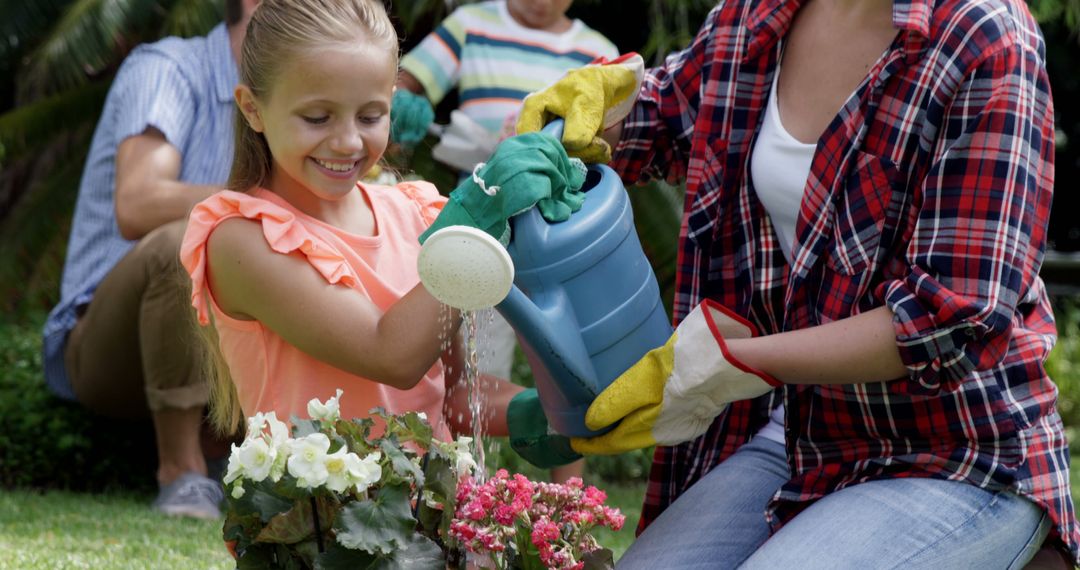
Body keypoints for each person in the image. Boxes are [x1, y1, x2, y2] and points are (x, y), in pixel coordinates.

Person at [517, 0, 1079, 567]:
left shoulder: (984, 36)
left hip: (957, 451)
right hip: (801, 435)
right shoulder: (759, 15)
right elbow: (665, 116)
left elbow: (948, 320)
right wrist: (581, 115)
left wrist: (726, 363)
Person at [179, 0, 580, 452]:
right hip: (319, 520)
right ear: (252, 109)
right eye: (317, 117)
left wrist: (551, 413)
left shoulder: (415, 214)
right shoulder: (241, 238)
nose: (348, 140)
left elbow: (449, 394)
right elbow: (391, 356)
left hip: (430, 515)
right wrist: (478, 220)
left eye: (370, 116)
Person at [41, 0, 260, 519]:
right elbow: (138, 201)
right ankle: (181, 474)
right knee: (183, 238)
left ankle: (246, 456)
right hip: (108, 347)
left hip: (225, 347)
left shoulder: (301, 97)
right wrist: (275, 204)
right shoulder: (168, 67)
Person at [393, 0, 618, 483]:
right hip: (484, 232)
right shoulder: (473, 26)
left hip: (558, 234)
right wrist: (400, 106)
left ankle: (570, 499)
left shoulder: (595, 51)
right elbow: (400, 85)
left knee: (567, 367)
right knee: (472, 375)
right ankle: (467, 490)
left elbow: (613, 141)